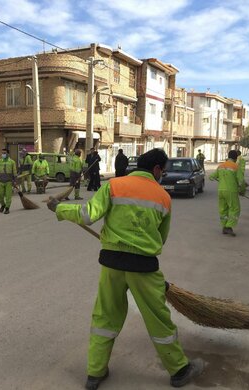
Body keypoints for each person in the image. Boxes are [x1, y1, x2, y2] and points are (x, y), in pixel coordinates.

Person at [47, 148, 204, 389]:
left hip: (111, 264)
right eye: (163, 171)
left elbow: (88, 215)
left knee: (105, 317)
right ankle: (179, 370)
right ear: (156, 169)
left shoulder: (114, 185)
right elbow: (161, 239)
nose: (163, 175)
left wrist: (60, 208)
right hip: (143, 267)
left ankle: (95, 373)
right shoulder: (163, 197)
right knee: (158, 319)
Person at [209, 150, 245, 236]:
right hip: (231, 191)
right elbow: (241, 181)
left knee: (223, 209)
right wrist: (242, 191)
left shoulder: (221, 166)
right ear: (235, 158)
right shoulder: (236, 166)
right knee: (235, 208)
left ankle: (224, 226)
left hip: (221, 191)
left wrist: (218, 179)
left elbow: (211, 177)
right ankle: (229, 227)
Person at [0, 148, 17, 214]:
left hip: (9, 182)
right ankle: (3, 205)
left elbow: (14, 172)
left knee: (8, 196)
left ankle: (7, 208)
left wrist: (15, 181)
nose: (3, 154)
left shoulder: (12, 162)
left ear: (8, 154)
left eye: (4, 153)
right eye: (2, 153)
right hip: (1, 181)